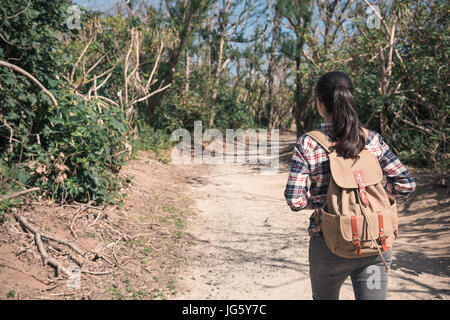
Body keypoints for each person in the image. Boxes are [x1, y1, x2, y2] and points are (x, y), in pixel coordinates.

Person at [284, 71, 416, 300]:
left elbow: (295, 201)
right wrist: (372, 198)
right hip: (377, 240)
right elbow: (406, 184)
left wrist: (324, 204)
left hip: (329, 245)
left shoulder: (308, 143)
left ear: (319, 102)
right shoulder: (371, 139)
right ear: (350, 98)